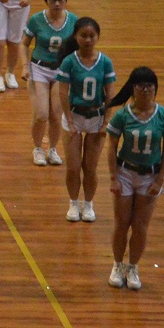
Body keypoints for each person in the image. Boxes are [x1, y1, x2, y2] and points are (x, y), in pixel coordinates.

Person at [103, 68, 164, 291]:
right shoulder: (122, 115)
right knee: (122, 223)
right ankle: (117, 265)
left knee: (141, 225)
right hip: (125, 173)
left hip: (149, 175)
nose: (145, 90)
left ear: (155, 89)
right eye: (140, 85)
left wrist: (159, 180)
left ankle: (133, 267)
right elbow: (111, 146)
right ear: (132, 88)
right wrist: (114, 177)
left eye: (150, 86)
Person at [55, 18, 115, 223]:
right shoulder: (69, 62)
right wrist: (70, 121)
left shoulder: (105, 62)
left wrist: (106, 122)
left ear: (98, 37)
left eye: (91, 36)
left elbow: (110, 94)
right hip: (74, 115)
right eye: (83, 36)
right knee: (73, 167)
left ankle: (88, 203)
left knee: (90, 167)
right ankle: (73, 203)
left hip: (96, 117)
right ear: (75, 37)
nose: (88, 40)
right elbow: (63, 92)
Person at [22, 0, 75, 167]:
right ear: (47, 1)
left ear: (65, 1)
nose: (57, 4)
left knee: (56, 114)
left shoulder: (73, 21)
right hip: (39, 69)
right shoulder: (36, 20)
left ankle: (52, 149)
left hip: (61, 71)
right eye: (53, 0)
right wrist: (24, 66)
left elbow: (77, 47)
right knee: (41, 114)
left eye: (61, 0)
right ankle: (37, 148)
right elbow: (24, 43)